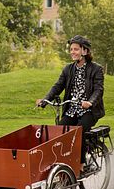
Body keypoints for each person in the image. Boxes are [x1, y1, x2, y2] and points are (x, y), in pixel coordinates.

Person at [36, 35, 105, 171]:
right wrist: (45, 100)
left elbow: (99, 89)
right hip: (72, 109)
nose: (72, 52)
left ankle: (82, 164)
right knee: (60, 132)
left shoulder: (96, 69)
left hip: (90, 111)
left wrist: (90, 102)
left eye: (76, 49)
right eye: (71, 49)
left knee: (79, 132)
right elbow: (57, 86)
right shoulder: (68, 69)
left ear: (84, 51)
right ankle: (64, 165)